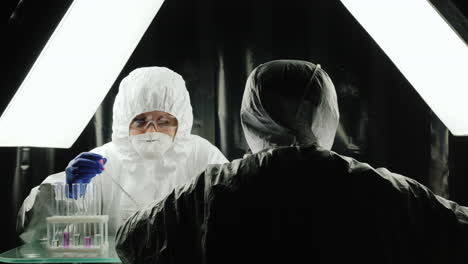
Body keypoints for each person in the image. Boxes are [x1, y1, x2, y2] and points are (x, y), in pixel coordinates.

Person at [115, 60, 468, 264]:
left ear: (251, 117)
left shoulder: (210, 189)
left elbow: (131, 241)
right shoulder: (381, 189)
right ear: (327, 112)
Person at [17, 66, 228, 243]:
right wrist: (67, 190)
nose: (151, 131)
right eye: (140, 120)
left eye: (163, 121)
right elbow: (33, 232)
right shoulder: (101, 162)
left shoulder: (203, 156)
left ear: (180, 121)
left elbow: (236, 207)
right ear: (124, 120)